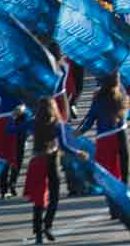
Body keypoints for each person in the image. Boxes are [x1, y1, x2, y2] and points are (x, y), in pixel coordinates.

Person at [8, 98, 87, 245]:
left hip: (37, 162)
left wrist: (13, 116)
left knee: (39, 199)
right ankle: (48, 225)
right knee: (54, 196)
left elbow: (10, 130)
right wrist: (78, 152)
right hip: (52, 161)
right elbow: (64, 146)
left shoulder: (33, 122)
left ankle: (38, 234)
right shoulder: (57, 125)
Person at [76, 73, 130, 188]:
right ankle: (125, 186)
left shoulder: (99, 98)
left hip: (105, 139)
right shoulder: (122, 95)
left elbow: (89, 120)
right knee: (123, 166)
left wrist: (78, 133)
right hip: (122, 134)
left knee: (106, 174)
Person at [0, 91, 25, 198]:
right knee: (8, 154)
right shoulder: (3, 81)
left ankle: (9, 185)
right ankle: (6, 186)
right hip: (8, 118)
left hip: (15, 118)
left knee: (15, 154)